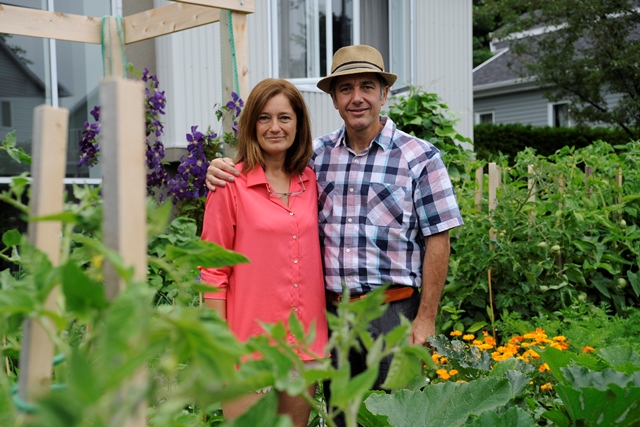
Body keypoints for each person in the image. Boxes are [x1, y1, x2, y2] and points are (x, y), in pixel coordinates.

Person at [206, 45, 463, 421]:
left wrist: (426, 319)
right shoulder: (316, 158)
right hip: (332, 317)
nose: (357, 98)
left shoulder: (420, 157)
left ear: (384, 93)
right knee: (342, 416)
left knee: (390, 417)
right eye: (346, 89)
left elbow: (438, 239)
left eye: (367, 87)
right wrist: (219, 167)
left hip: (392, 313)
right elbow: (265, 170)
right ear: (333, 99)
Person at [200, 78, 328, 427]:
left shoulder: (311, 182)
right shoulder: (229, 185)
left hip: (305, 344)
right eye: (264, 118)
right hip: (247, 348)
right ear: (250, 124)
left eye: (285, 118)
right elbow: (213, 273)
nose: (275, 127)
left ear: (298, 124)